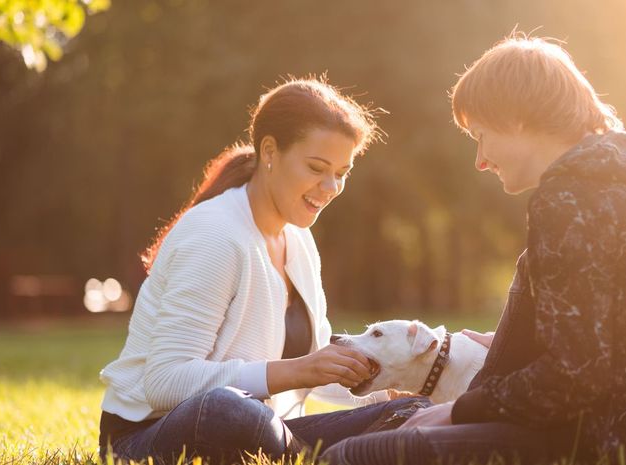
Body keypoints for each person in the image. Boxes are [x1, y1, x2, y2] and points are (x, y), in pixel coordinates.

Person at [319, 34, 626, 465]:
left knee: (354, 455)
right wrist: (508, 348)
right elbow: (611, 337)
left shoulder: (571, 195)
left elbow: (573, 378)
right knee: (403, 419)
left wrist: (459, 410)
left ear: (516, 120)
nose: (481, 160)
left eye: (482, 135)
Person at [97, 77, 429, 465]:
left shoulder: (299, 239)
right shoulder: (216, 235)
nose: (332, 186)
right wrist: (297, 370)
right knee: (229, 409)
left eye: (342, 172)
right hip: (150, 436)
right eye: (317, 167)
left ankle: (326, 457)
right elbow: (165, 381)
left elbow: (318, 371)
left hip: (270, 431)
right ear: (270, 150)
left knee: (416, 411)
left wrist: (386, 387)